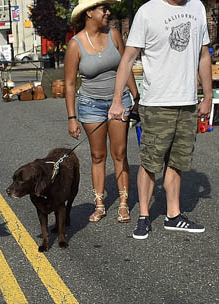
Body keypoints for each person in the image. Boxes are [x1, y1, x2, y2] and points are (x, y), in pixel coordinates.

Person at [109, 0, 211, 239]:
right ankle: (144, 216)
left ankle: (173, 215)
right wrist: (116, 100)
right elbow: (128, 58)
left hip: (187, 102)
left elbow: (203, 55)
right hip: (156, 103)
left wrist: (207, 96)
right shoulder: (147, 12)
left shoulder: (197, 7)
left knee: (177, 161)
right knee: (150, 162)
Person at [64, 0, 139, 223]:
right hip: (90, 105)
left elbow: (126, 66)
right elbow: (69, 84)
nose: (108, 12)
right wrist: (72, 118)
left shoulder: (114, 35)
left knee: (120, 153)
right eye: (103, 8)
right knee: (98, 156)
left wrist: (136, 96)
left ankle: (124, 203)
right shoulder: (75, 45)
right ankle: (99, 204)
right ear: (89, 13)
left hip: (119, 102)